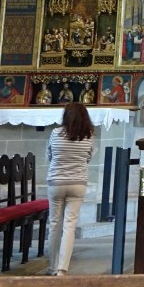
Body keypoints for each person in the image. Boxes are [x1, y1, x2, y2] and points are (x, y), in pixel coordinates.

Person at [47, 101, 95, 277]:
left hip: (56, 183)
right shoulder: (88, 135)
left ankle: (52, 267)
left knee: (54, 225)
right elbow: (88, 157)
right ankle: (62, 269)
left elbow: (50, 155)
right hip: (77, 183)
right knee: (69, 226)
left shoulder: (55, 133)